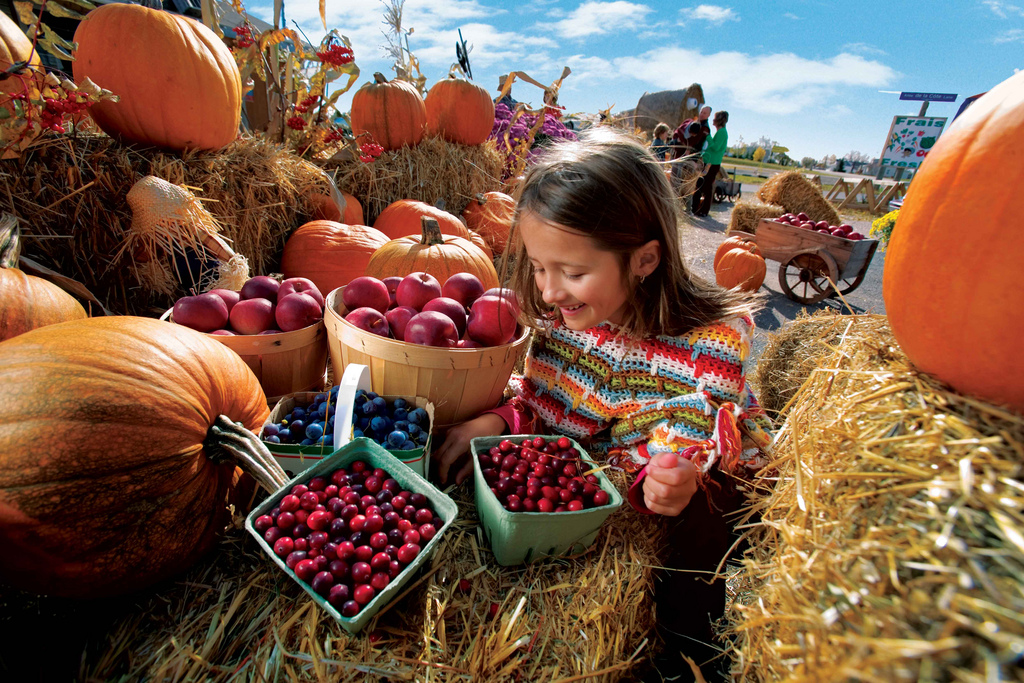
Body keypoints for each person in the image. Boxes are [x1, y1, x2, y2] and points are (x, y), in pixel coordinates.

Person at [434, 127, 773, 683]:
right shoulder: (564, 323)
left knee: (701, 512)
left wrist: (670, 475)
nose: (548, 291)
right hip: (601, 477)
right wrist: (500, 419)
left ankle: (690, 654)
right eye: (540, 268)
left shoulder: (709, 338)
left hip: (685, 470)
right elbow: (545, 401)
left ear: (644, 259)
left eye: (571, 272)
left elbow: (688, 429)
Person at [692, 110, 729, 217]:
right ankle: (697, 208)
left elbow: (716, 147)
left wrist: (708, 136)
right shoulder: (720, 132)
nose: (713, 120)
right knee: (701, 185)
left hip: (713, 163)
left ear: (718, 120)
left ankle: (703, 210)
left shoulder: (722, 132)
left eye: (715, 118)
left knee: (707, 187)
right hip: (709, 162)